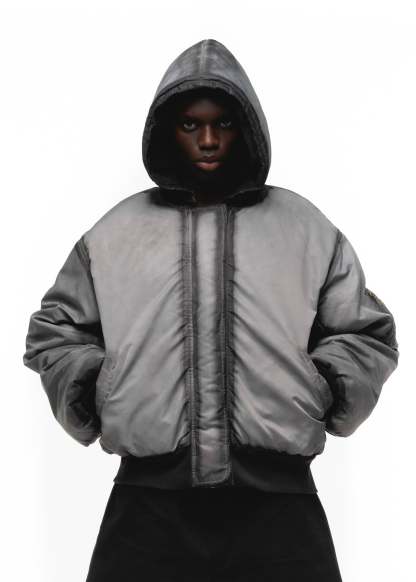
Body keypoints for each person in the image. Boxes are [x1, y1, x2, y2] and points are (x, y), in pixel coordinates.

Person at [23, 38, 399, 582]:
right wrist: (96, 388)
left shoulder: (303, 227)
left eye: (223, 123)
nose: (207, 139)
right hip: (147, 505)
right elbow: (55, 331)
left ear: (246, 127)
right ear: (167, 130)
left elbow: (365, 331)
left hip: (280, 505)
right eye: (190, 124)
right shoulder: (116, 233)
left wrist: (323, 388)